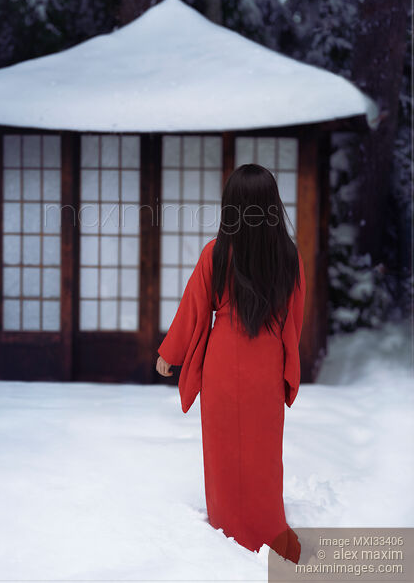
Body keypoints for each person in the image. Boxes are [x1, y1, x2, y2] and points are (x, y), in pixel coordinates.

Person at [156, 163, 306, 563]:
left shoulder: (217, 252)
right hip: (267, 365)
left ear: (232, 206)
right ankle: (267, 528)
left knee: (223, 452)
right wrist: (287, 359)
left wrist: (169, 354)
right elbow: (296, 317)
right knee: (263, 452)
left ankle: (226, 527)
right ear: (272, 205)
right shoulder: (288, 257)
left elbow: (194, 309)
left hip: (222, 365)